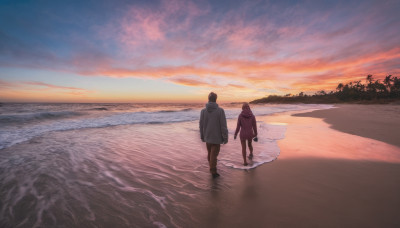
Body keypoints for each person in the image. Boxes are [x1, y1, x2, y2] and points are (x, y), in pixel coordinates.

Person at [199, 92, 228, 178]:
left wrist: (202, 135)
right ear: (216, 99)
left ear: (208, 99)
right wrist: (225, 137)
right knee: (214, 155)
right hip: (216, 137)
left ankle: (212, 168)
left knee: (210, 154)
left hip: (207, 136)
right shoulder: (220, 111)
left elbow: (201, 125)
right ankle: (213, 171)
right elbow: (223, 125)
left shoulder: (203, 111)